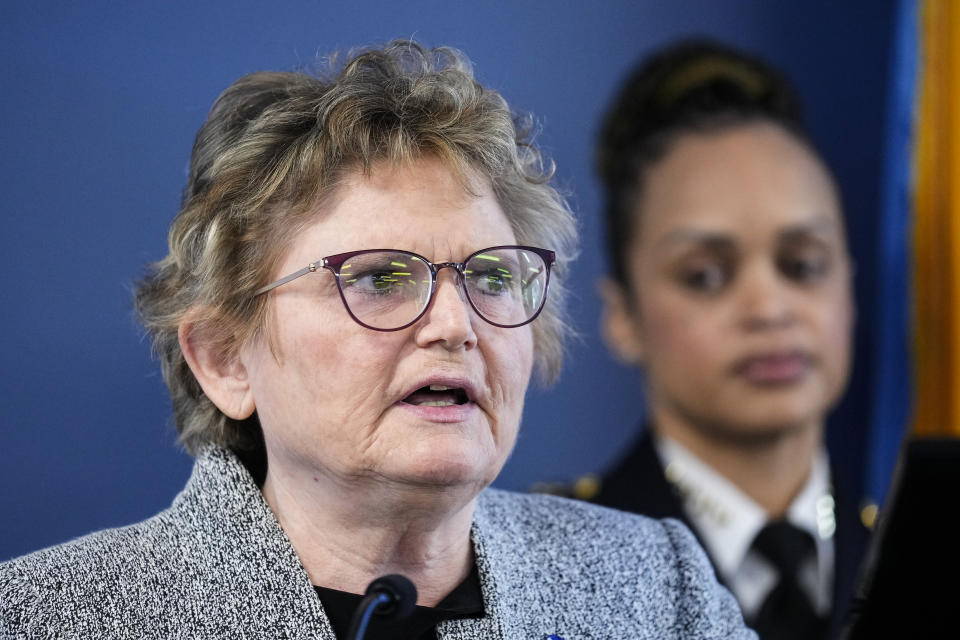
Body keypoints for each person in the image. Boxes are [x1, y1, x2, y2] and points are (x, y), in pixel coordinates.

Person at [0, 41, 755, 638]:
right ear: (226, 357)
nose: (457, 326)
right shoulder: (40, 618)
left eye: (492, 277)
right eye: (380, 278)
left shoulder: (657, 587)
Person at [583, 39, 871, 640]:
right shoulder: (552, 578)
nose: (769, 309)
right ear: (622, 316)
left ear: (849, 284)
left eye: (802, 265)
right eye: (706, 276)